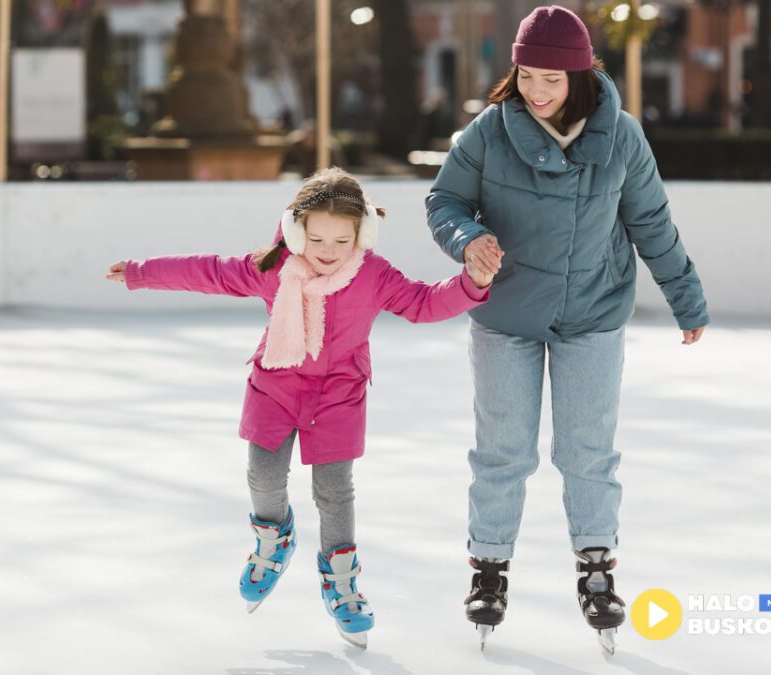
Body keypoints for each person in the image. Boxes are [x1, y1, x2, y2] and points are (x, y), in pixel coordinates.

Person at [107, 167, 499, 648]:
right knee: (263, 476)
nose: (328, 251)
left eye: (341, 240)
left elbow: (421, 303)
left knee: (335, 491)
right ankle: (274, 539)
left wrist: (472, 282)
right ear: (297, 231)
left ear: (361, 234)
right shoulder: (273, 267)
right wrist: (142, 273)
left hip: (339, 395)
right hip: (275, 384)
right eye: (316, 239)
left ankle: (340, 577)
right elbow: (208, 271)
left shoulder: (373, 274)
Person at [424, 5, 709, 653]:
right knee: (503, 449)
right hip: (506, 315)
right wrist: (467, 239)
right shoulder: (491, 132)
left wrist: (685, 297)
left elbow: (652, 224)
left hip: (593, 312)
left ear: (580, 75)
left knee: (588, 450)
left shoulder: (624, 136)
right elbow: (444, 200)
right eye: (527, 75)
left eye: (552, 78)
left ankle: (597, 566)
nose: (538, 90)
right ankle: (489, 567)